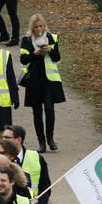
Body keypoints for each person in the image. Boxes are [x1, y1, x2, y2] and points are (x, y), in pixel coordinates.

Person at [18, 14, 64, 152]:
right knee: (37, 111)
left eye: (41, 26)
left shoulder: (51, 38)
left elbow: (58, 58)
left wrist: (50, 50)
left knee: (49, 109)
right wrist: (35, 53)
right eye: (36, 26)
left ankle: (50, 138)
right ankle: (41, 142)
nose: (39, 29)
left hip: (49, 80)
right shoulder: (26, 40)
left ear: (44, 26)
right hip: (34, 80)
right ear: (32, 27)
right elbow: (23, 59)